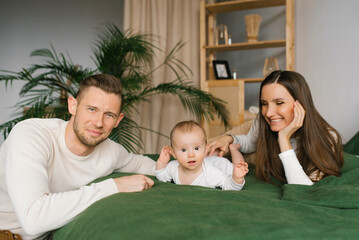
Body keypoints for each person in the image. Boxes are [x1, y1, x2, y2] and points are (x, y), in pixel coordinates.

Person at [0, 74, 156, 240]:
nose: (98, 122)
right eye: (92, 109)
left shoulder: (111, 151)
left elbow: (142, 164)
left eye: (109, 114)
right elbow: (33, 219)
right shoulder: (31, 136)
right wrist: (113, 186)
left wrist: (178, 171)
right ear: (73, 106)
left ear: (118, 120)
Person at [207, 70, 343, 185]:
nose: (268, 112)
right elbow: (250, 142)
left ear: (301, 104)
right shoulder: (263, 119)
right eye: (264, 103)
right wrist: (228, 138)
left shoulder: (327, 138)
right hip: (249, 128)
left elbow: (301, 188)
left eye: (279, 103)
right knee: (202, 146)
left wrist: (283, 138)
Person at [155, 120, 248, 190]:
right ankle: (214, 153)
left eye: (196, 148)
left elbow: (229, 185)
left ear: (205, 149)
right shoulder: (173, 167)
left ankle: (233, 148)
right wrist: (162, 162)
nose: (191, 155)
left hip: (219, 164)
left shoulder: (211, 173)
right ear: (174, 154)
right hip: (207, 158)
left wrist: (237, 178)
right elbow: (161, 176)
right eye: (183, 150)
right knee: (211, 157)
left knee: (237, 166)